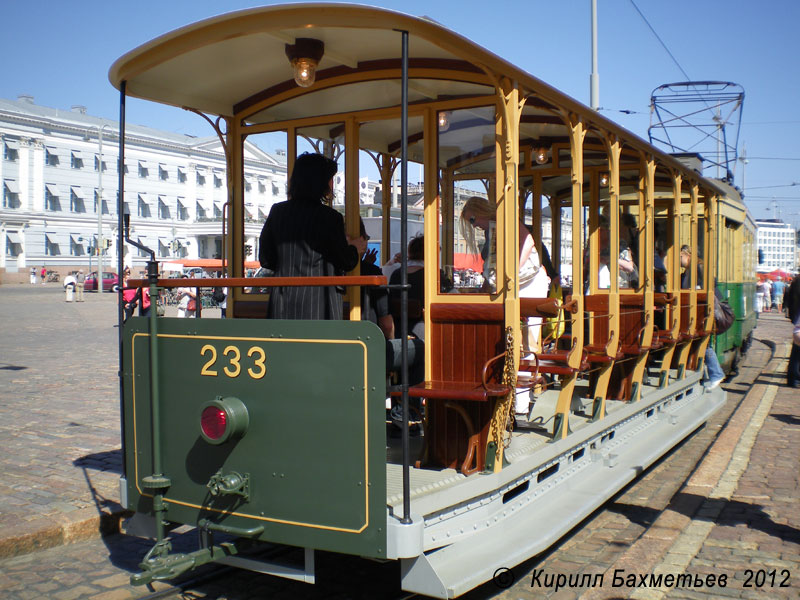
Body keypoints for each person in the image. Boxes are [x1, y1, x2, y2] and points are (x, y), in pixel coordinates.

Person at [460, 196, 550, 415]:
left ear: (481, 210)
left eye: (472, 219)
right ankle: (511, 396)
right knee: (512, 338)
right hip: (515, 285)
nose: (474, 225)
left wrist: (509, 276)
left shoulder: (505, 221)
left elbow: (528, 242)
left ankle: (520, 403)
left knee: (528, 339)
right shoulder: (492, 229)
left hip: (528, 284)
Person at [258, 153, 366, 320]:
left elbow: (266, 259)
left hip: (281, 303)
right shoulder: (330, 217)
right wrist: (354, 248)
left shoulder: (277, 211)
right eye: (330, 179)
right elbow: (345, 261)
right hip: (319, 305)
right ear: (321, 182)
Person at [681, 245, 723, 389]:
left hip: (701, 309)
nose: (679, 260)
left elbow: (711, 284)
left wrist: (698, 289)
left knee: (703, 342)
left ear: (688, 255)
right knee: (700, 341)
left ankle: (716, 374)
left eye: (681, 257)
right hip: (694, 308)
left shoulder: (699, 267)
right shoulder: (687, 270)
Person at [786, 276, 800, 388]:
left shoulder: (796, 282)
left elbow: (789, 299)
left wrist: (792, 316)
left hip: (797, 319)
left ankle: (792, 380)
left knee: (795, 353)